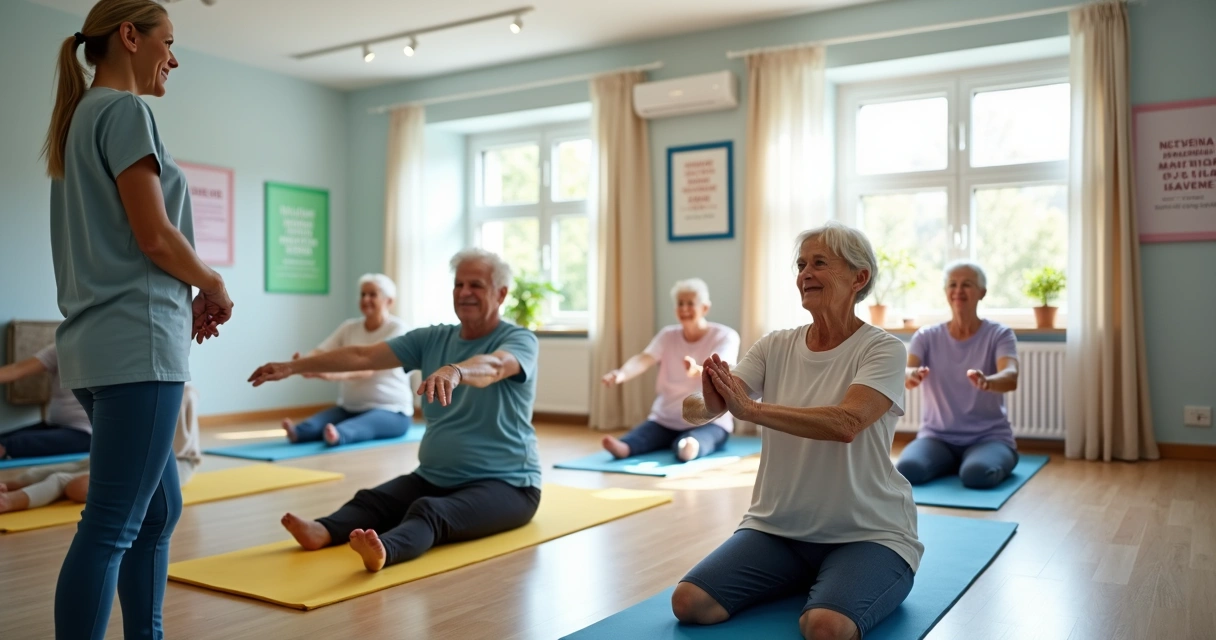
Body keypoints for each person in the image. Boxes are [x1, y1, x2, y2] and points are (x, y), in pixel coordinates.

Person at [43, 1, 233, 637]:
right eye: (168, 43)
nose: (173, 59)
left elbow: (135, 242)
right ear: (129, 36)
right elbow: (155, 236)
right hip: (137, 348)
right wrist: (211, 282)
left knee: (154, 513)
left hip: (96, 350)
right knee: (114, 525)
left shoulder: (78, 120)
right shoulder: (124, 111)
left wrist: (190, 290)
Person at [673, 221, 921, 640]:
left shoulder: (883, 349)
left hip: (868, 532)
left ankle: (839, 581)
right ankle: (814, 578)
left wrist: (750, 409)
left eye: (819, 263)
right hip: (778, 528)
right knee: (690, 602)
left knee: (825, 628)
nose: (805, 273)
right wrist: (707, 400)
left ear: (859, 277)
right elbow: (706, 406)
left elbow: (846, 423)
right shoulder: (776, 345)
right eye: (801, 264)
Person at [248, 248, 540, 573]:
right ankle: (323, 530)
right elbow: (362, 356)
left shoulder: (519, 339)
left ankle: (385, 549)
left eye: (476, 285)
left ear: (501, 294)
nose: (464, 293)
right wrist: (294, 367)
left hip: (508, 485)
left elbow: (495, 367)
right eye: (458, 285)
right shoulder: (432, 339)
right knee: (373, 500)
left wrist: (455, 371)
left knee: (429, 512)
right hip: (436, 475)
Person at [895, 261, 1020, 490]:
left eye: (967, 284)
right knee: (907, 470)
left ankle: (984, 459)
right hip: (937, 437)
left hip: (989, 437)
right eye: (953, 284)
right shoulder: (926, 336)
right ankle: (951, 460)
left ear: (982, 292)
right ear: (945, 292)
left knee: (977, 475)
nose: (959, 290)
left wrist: (988, 381)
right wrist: (911, 375)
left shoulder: (1000, 334)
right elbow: (904, 371)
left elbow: (1011, 376)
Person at [0, 384, 202, 514]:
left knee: (65, 482)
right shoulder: (132, 388)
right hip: (130, 455)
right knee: (58, 469)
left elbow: (174, 447)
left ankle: (8, 502)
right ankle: (7, 486)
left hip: (173, 462)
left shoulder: (182, 393)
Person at [599, 278, 740, 461]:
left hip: (710, 421)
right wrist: (621, 374)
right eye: (680, 303)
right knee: (636, 439)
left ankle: (689, 446)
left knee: (692, 443)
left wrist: (696, 369)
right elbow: (643, 359)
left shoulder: (725, 336)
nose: (684, 308)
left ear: (705, 308)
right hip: (666, 419)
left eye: (690, 303)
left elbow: (722, 368)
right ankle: (625, 448)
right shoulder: (667, 336)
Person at [282, 273, 413, 447]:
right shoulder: (349, 327)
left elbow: (367, 368)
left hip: (391, 410)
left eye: (372, 294)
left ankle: (339, 435)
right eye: (363, 294)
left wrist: (328, 375)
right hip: (350, 407)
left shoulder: (398, 329)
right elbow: (322, 351)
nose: (366, 299)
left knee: (353, 427)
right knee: (313, 425)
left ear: (389, 301)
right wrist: (303, 363)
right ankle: (298, 433)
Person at [0, 344, 92, 458]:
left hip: (85, 432)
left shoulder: (111, 350)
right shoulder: (65, 345)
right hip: (54, 425)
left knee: (6, 445)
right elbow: (17, 369)